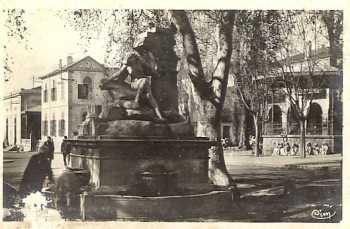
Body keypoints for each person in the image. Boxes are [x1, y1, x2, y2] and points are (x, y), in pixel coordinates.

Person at [100, 52, 165, 121]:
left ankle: (159, 116)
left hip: (143, 85)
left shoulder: (141, 62)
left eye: (129, 63)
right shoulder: (127, 66)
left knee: (148, 91)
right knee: (145, 82)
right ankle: (135, 100)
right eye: (127, 64)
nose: (128, 65)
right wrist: (108, 80)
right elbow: (118, 74)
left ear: (134, 60)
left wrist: (156, 72)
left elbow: (152, 71)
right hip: (134, 85)